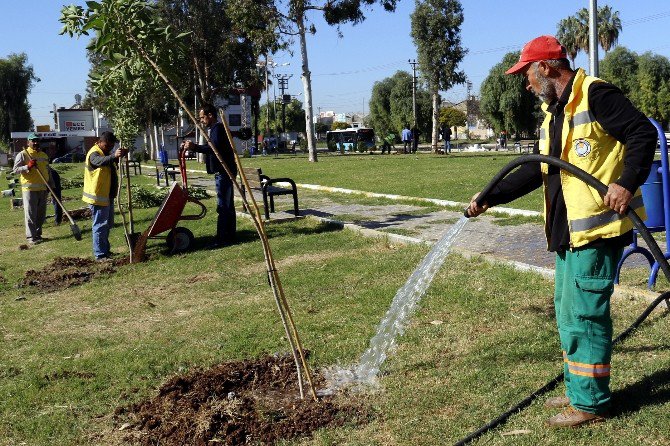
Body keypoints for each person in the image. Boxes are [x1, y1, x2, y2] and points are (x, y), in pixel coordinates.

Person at [466, 35, 657, 428]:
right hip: (568, 233)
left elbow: (643, 133)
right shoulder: (555, 112)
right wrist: (490, 196)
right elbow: (537, 169)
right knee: (569, 314)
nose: (526, 84)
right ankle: (579, 391)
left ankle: (590, 404)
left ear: (547, 68)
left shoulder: (596, 95)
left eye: (527, 75)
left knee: (585, 316)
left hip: (597, 232)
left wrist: (625, 182)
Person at [181, 104, 237, 248]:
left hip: (224, 172)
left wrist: (195, 147)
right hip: (224, 172)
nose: (201, 120)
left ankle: (222, 238)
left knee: (223, 206)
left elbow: (214, 149)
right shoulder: (213, 129)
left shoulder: (217, 128)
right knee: (227, 206)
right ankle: (230, 235)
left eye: (202, 117)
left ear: (210, 115)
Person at [82, 131, 126, 261]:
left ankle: (105, 251)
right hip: (97, 196)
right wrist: (113, 156)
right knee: (100, 226)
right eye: (107, 145)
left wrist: (118, 156)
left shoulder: (106, 153)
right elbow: (99, 161)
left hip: (107, 195)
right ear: (99, 142)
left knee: (106, 225)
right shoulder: (94, 153)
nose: (109, 148)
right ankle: (100, 254)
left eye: (112, 146)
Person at [13, 133, 50, 245]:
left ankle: (38, 234)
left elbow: (48, 171)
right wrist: (27, 167)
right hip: (30, 189)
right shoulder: (23, 154)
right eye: (32, 140)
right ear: (28, 142)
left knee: (41, 214)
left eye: (37, 140)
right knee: (30, 214)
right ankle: (31, 237)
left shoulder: (44, 155)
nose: (35, 143)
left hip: (43, 188)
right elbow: (15, 170)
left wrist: (50, 185)